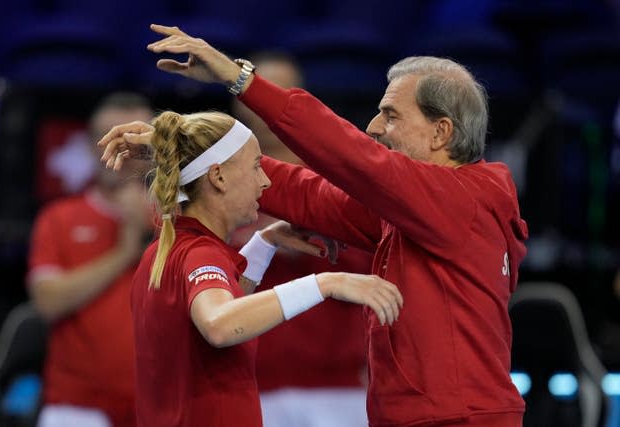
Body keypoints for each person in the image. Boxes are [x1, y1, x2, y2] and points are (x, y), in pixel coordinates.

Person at [99, 24, 530, 427]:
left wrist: (240, 79)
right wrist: (191, 156)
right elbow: (308, 192)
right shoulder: (409, 211)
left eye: (391, 115)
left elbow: (355, 156)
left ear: (441, 132)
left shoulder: (464, 201)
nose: (374, 127)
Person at [126, 110, 402, 426]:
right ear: (218, 177)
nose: (266, 181)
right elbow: (219, 325)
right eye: (257, 166)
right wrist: (325, 283)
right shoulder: (201, 254)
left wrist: (264, 243)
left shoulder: (165, 251)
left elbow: (209, 320)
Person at [230, 51, 371, 427]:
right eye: (253, 91)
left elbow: (373, 259)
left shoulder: (337, 175)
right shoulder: (219, 179)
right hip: (254, 377)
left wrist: (320, 234)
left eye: (277, 90)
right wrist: (254, 238)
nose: (262, 103)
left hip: (336, 379)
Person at [27, 92, 154, 427]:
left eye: (131, 141)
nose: (118, 151)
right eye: (108, 137)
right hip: (77, 406)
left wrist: (152, 229)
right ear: (89, 144)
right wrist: (124, 252)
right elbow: (47, 301)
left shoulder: (181, 217)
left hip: (160, 401)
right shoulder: (59, 218)